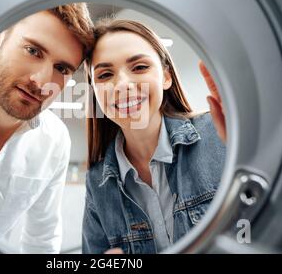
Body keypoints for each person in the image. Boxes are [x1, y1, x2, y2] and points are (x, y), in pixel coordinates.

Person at [0, 4, 94, 253]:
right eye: (33, 51)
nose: (41, 82)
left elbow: (42, 239)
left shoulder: (54, 140)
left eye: (61, 69)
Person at [82, 19, 226, 254]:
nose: (122, 85)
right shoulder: (97, 182)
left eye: (139, 67)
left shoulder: (219, 134)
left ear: (166, 77)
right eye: (105, 75)